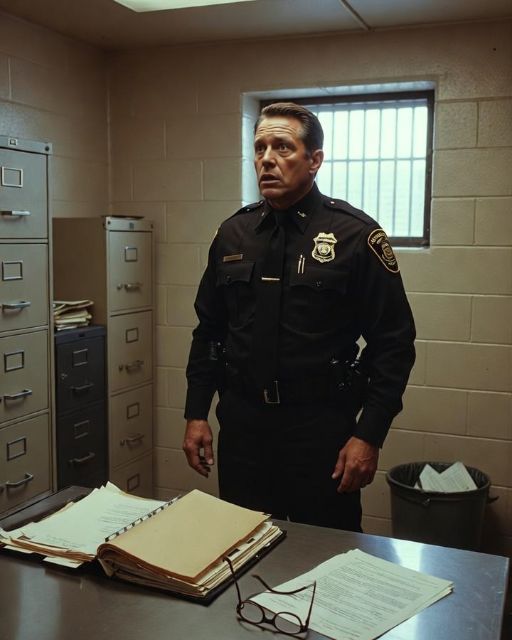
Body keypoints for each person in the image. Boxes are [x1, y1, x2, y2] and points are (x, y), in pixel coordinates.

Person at [182, 102, 415, 531]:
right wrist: (196, 412)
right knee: (241, 548)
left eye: (283, 147)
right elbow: (210, 331)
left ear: (314, 160)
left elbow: (393, 345)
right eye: (260, 148)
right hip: (244, 429)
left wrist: (369, 434)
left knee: (328, 554)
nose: (267, 159)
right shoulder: (233, 234)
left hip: (320, 431)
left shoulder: (354, 235)